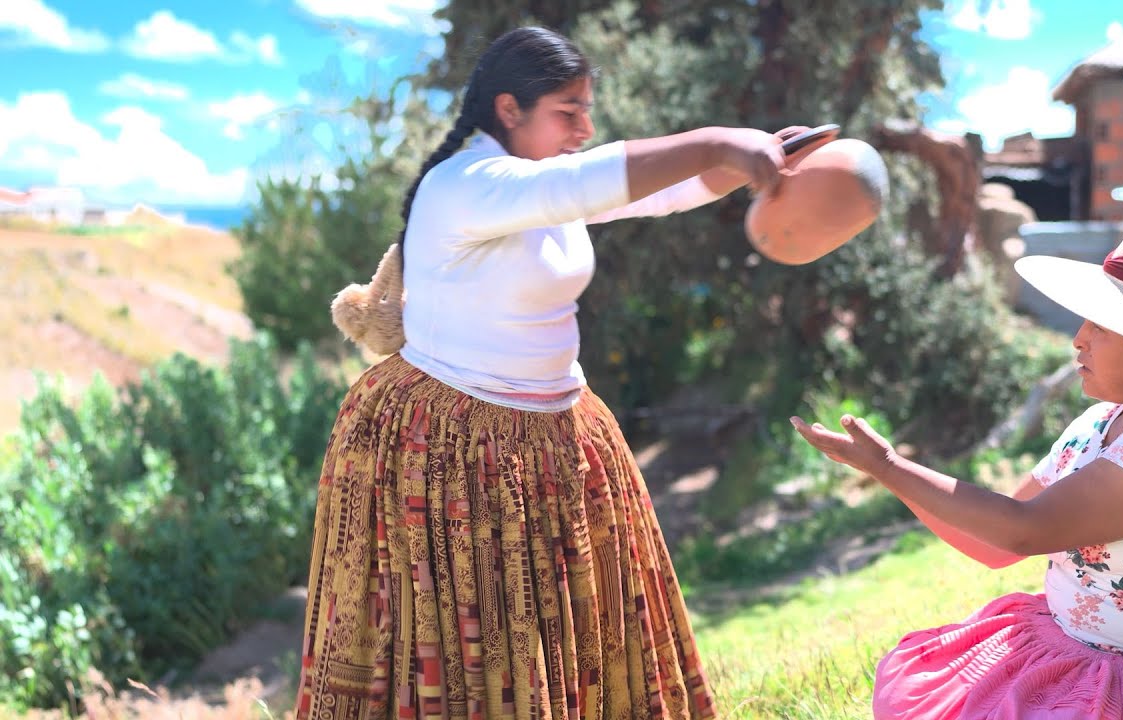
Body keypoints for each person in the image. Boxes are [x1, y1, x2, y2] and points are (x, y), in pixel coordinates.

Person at [294, 25, 797, 720]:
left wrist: (754, 161)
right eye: (569, 109)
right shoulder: (467, 183)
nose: (584, 125)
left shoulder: (537, 189)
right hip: (449, 450)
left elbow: (659, 193)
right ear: (509, 109)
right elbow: (589, 179)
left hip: (554, 436)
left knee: (576, 633)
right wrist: (720, 141)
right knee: (483, 647)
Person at [792, 220, 1123, 719]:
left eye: (1099, 327)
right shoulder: (1102, 421)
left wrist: (890, 465)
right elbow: (992, 543)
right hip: (1090, 646)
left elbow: (1023, 532)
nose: (1077, 340)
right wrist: (885, 473)